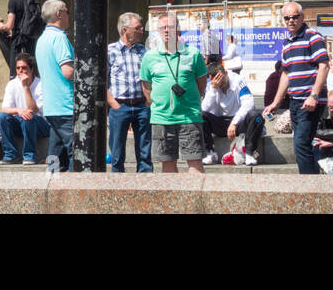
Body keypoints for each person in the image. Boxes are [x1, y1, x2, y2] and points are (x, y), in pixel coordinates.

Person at [263, 1, 330, 175]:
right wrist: (275, 103)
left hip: (310, 101)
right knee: (301, 144)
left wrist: (314, 96)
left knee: (301, 143)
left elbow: (324, 66)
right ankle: (313, 182)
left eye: (294, 17)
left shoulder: (313, 36)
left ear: (302, 17)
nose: (291, 21)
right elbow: (286, 75)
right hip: (295, 101)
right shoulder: (287, 43)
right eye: (287, 18)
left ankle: (308, 186)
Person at [140, 13, 208, 174]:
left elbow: (201, 84)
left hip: (189, 116)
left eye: (170, 27)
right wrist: (159, 103)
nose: (166, 31)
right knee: (167, 165)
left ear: (178, 29)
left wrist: (188, 101)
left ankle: (197, 198)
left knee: (195, 163)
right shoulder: (149, 57)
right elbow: (146, 87)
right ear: (157, 30)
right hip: (162, 118)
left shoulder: (193, 54)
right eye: (163, 27)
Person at [107, 12, 150, 173]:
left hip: (141, 105)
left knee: (145, 153)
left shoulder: (144, 51)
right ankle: (117, 191)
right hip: (120, 106)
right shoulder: (110, 51)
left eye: (141, 27)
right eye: (138, 28)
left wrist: (148, 101)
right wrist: (113, 103)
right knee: (117, 154)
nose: (141, 31)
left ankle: (145, 188)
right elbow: (102, 81)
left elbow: (150, 78)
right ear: (125, 30)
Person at [35, 0, 75, 170]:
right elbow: (68, 72)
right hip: (66, 105)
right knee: (76, 152)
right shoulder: (59, 38)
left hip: (51, 107)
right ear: (59, 14)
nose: (69, 15)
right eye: (67, 11)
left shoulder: (42, 39)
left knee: (55, 154)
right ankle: (78, 190)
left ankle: (52, 182)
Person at [200, 60, 262, 166]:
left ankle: (249, 153)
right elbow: (205, 109)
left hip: (238, 122)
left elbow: (249, 103)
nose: (221, 84)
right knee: (200, 115)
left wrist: (234, 122)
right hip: (221, 122)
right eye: (217, 81)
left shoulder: (238, 80)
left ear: (226, 73)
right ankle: (210, 153)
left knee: (256, 116)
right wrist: (214, 89)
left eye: (222, 80)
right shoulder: (211, 86)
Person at [0, 53, 49, 164]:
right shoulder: (12, 84)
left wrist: (26, 87)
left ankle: (29, 156)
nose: (20, 71)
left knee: (28, 116)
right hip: (21, 122)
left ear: (31, 69)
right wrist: (19, 110)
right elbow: (5, 108)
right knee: (1, 117)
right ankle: (11, 155)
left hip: (41, 125)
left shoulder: (40, 84)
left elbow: (34, 110)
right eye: (18, 68)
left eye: (24, 68)